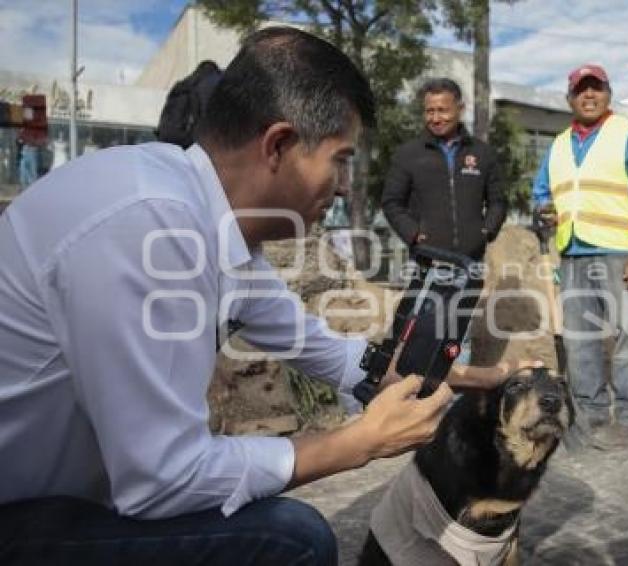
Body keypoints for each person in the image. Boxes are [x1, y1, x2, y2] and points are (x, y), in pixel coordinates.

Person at [0, 27, 520, 566]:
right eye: (340, 159)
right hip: (18, 515)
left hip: (74, 495)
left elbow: (320, 347)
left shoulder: (211, 224)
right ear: (278, 145)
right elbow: (163, 478)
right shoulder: (149, 224)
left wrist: (402, 375)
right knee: (291, 539)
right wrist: (357, 442)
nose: (344, 186)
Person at [532, 64, 628, 448]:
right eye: (581, 90)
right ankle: (590, 415)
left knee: (627, 338)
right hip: (572, 252)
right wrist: (544, 208)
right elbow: (541, 191)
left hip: (620, 253)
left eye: (597, 88)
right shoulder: (557, 145)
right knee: (579, 340)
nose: (589, 95)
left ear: (608, 93)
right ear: (570, 97)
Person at [381, 78, 507, 365]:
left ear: (460, 109)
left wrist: (485, 231)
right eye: (429, 111)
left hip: (470, 263)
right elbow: (391, 202)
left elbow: (499, 200)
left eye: (443, 110)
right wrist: (415, 235)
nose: (435, 118)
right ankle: (415, 400)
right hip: (429, 265)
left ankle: (452, 403)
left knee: (457, 339)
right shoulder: (409, 155)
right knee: (418, 333)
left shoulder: (482, 154)